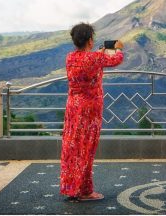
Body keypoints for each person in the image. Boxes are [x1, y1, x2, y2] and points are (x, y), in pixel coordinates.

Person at [60, 23, 124, 201]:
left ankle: (72, 187)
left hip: (73, 107)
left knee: (72, 147)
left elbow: (91, 59)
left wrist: (99, 53)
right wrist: (118, 48)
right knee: (86, 149)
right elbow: (116, 60)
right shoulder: (94, 58)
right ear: (90, 40)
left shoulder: (70, 57)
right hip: (89, 109)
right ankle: (86, 191)